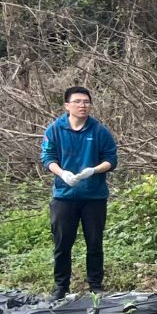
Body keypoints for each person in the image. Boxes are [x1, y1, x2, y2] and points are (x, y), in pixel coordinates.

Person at [41, 84, 118, 300]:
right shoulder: (55, 130)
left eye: (86, 102)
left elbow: (111, 159)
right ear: (67, 105)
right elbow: (47, 158)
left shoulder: (99, 131)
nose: (82, 105)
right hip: (64, 196)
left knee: (94, 243)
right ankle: (60, 286)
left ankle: (95, 285)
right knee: (62, 244)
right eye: (77, 102)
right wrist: (62, 173)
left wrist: (94, 170)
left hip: (94, 196)